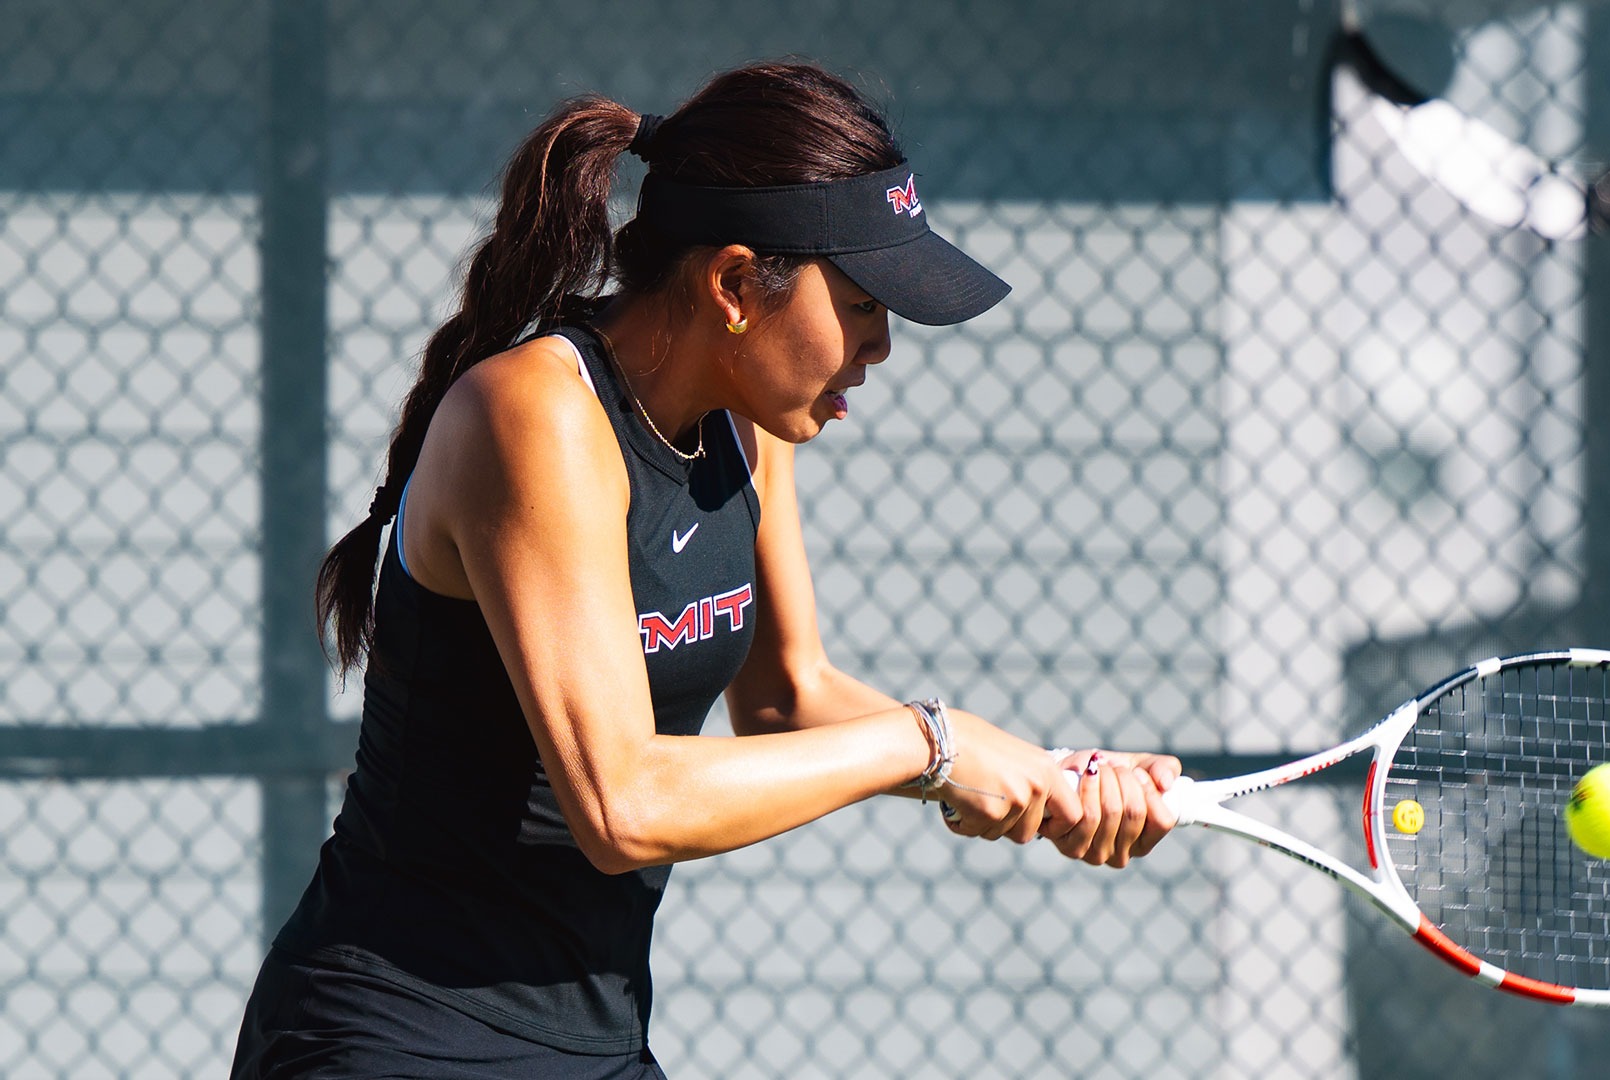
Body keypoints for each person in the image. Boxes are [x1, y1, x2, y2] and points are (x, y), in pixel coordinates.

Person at [230, 61, 1182, 1078]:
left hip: (597, 1040)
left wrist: (1041, 773)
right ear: (734, 285)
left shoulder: (744, 425)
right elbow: (623, 803)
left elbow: (787, 697)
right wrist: (933, 744)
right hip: (393, 1035)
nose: (884, 347)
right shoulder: (537, 416)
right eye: (863, 304)